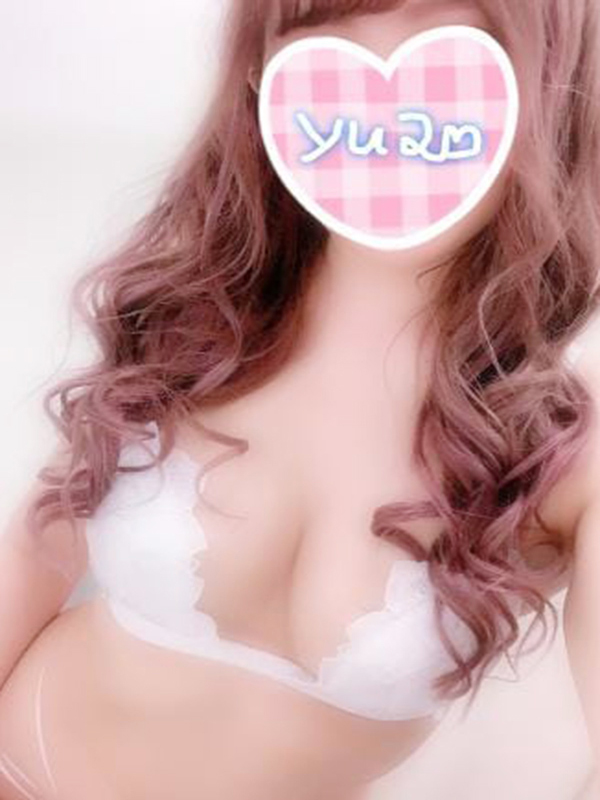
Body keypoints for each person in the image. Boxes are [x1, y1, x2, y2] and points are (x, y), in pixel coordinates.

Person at [1, 1, 600, 798]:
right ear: (262, 77)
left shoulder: (563, 452)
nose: (386, 112)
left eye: (449, 50)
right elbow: (37, 546)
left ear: (551, 87)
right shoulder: (198, 317)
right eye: (324, 47)